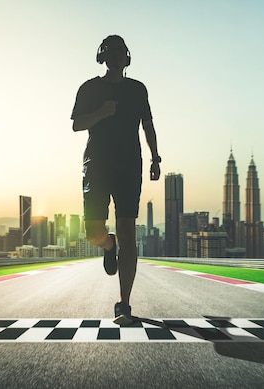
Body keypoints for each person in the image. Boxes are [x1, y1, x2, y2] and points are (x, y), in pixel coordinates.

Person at [71, 35, 161, 325]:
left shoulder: (137, 90)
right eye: (110, 53)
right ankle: (108, 245)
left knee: (128, 233)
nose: (116, 58)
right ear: (103, 57)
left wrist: (155, 158)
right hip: (96, 165)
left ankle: (124, 304)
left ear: (127, 57)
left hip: (129, 167)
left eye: (120, 53)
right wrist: (100, 113)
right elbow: (76, 124)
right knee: (93, 232)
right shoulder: (89, 88)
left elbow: (148, 124)